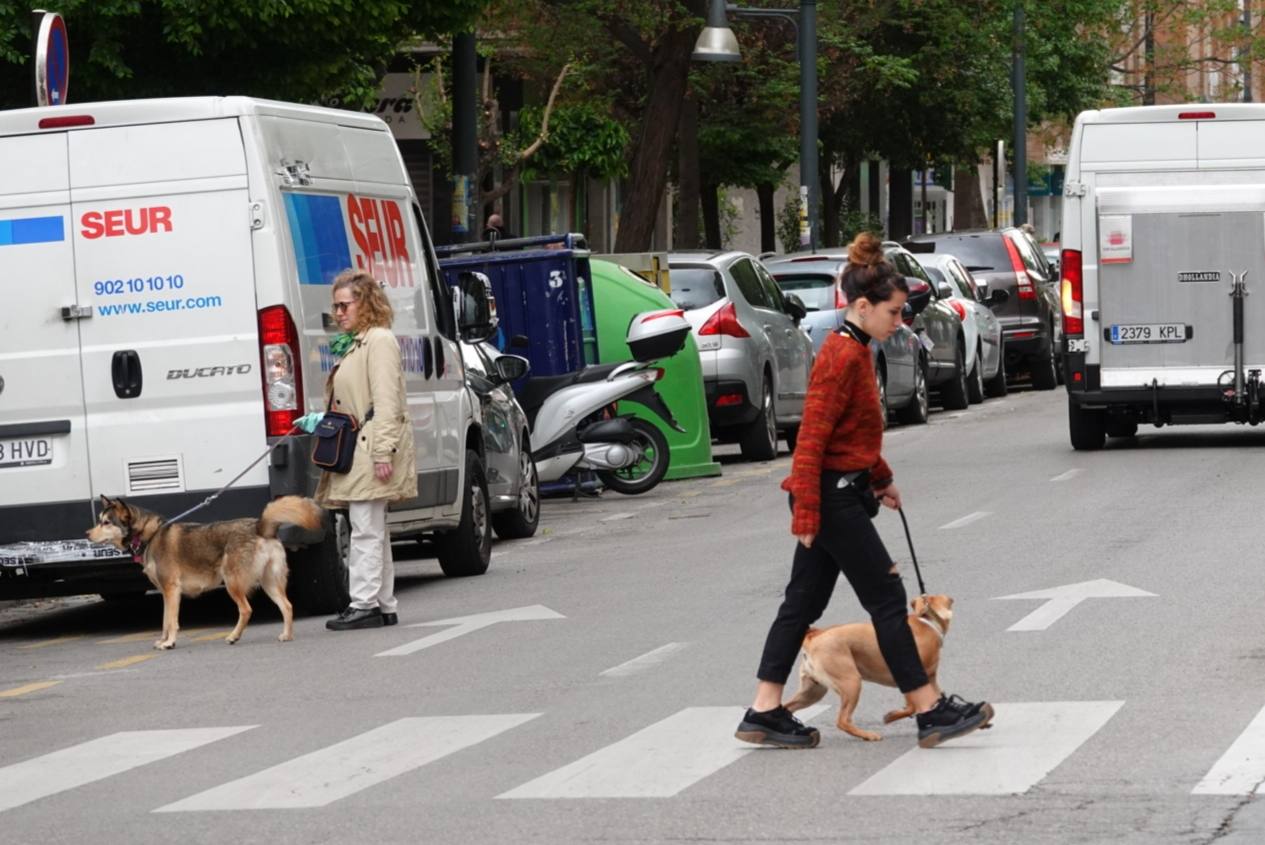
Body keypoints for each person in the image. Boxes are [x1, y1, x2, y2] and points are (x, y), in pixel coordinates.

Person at [735, 233, 993, 749]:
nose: (901, 321)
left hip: (844, 490)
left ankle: (764, 710)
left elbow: (853, 434)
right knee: (887, 597)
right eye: (894, 312)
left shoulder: (855, 350)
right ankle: (928, 709)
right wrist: (807, 512)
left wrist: (880, 477)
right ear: (861, 306)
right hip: (829, 498)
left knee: (800, 604)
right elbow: (811, 437)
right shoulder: (841, 357)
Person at [314, 269, 417, 631]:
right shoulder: (361, 341)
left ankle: (364, 604)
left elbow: (387, 401)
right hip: (361, 445)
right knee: (372, 526)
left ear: (366, 303)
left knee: (365, 527)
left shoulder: (379, 341)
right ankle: (383, 604)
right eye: (335, 306)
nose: (339, 313)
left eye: (345, 305)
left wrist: (383, 451)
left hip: (370, 445)